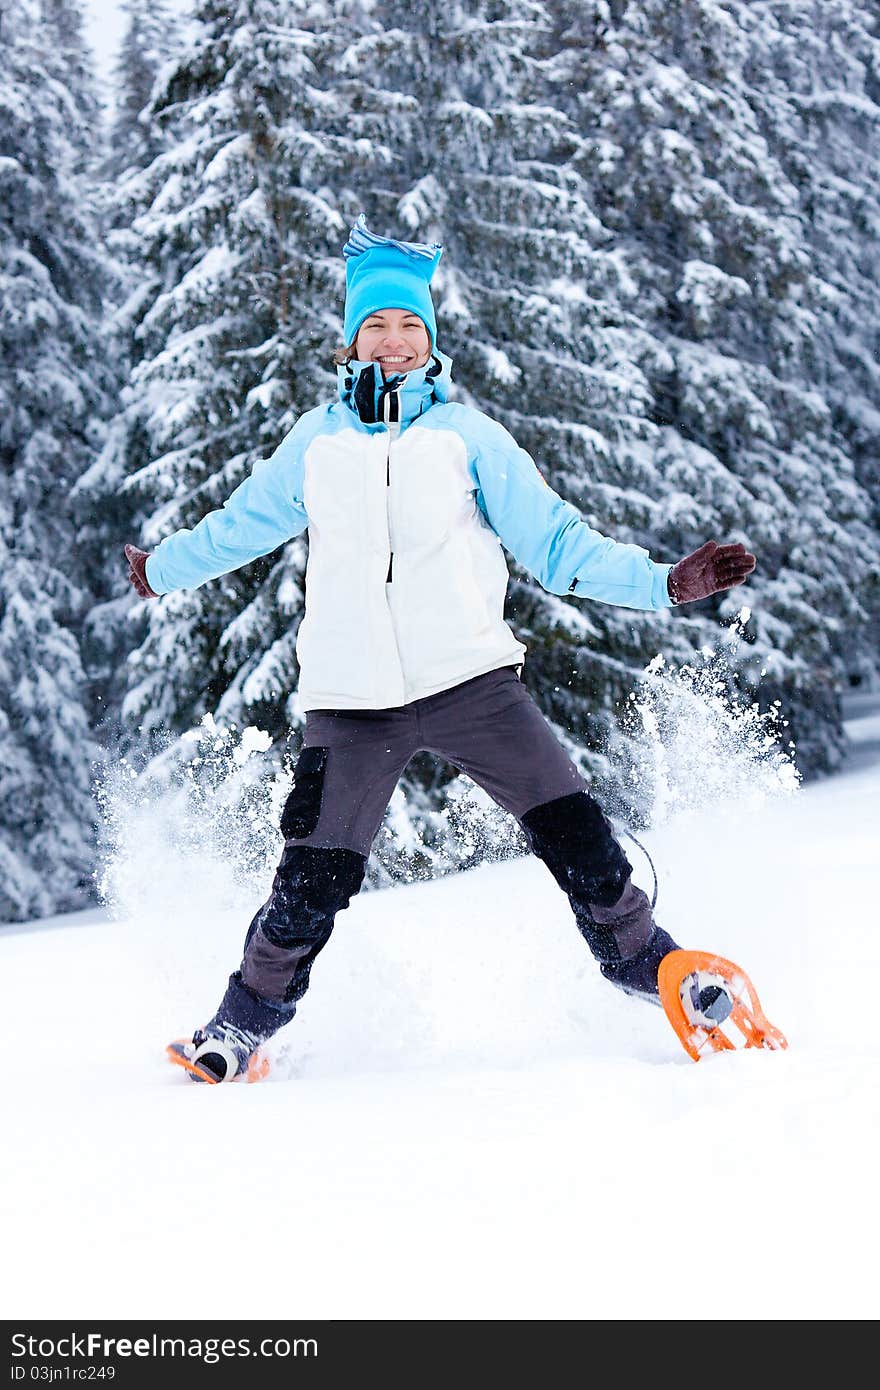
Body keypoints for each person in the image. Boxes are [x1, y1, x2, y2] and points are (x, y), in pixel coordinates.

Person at [125, 213, 757, 1083]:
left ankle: (653, 966)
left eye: (409, 325)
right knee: (312, 880)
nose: (393, 340)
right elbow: (238, 528)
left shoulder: (466, 438)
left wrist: (663, 583)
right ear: (351, 338)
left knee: (578, 832)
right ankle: (241, 1022)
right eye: (376, 326)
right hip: (350, 701)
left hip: (473, 684)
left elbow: (559, 547)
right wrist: (161, 568)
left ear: (431, 338)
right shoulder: (317, 444)